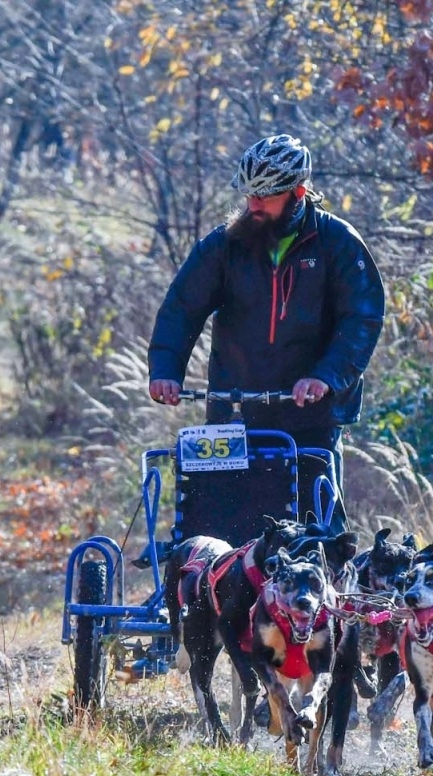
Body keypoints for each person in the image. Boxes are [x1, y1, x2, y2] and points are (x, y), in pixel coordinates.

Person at [147, 134, 384, 534]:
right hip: (234, 408)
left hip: (311, 414)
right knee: (217, 524)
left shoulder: (338, 244)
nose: (253, 205)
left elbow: (361, 320)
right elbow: (181, 309)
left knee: (317, 529)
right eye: (249, 195)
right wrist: (165, 369)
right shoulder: (224, 245)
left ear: (298, 193)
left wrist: (326, 377)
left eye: (265, 197)